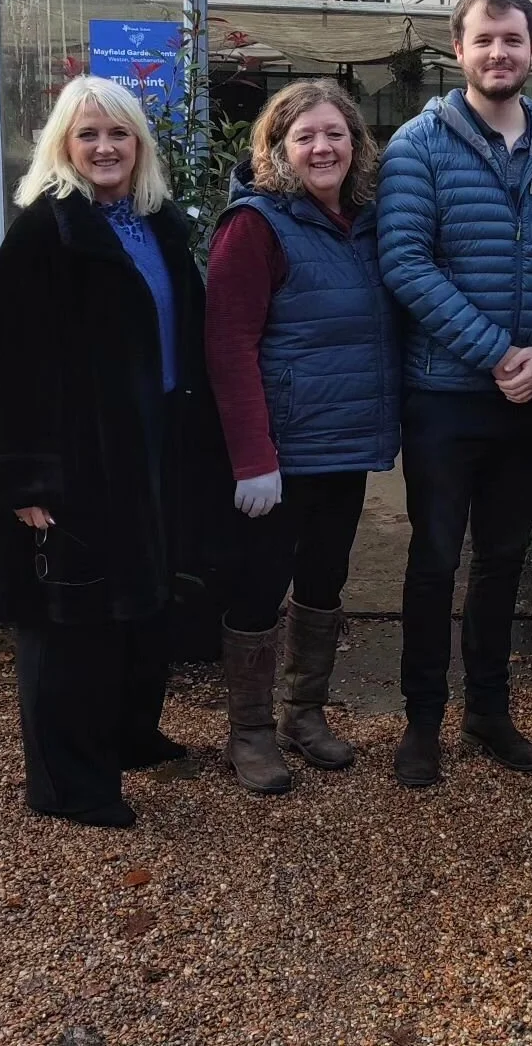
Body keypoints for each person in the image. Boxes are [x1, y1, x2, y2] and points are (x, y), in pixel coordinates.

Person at [0, 75, 223, 829]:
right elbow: (5, 362)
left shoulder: (158, 225)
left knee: (140, 609)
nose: (105, 147)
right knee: (69, 624)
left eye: (118, 134)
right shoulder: (47, 232)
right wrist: (20, 477)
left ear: (139, 144)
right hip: (79, 458)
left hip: (152, 447)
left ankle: (125, 736)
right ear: (65, 147)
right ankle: (68, 783)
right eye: (89, 135)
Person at [378, 0, 532, 788]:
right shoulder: (417, 147)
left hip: (529, 400)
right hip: (444, 396)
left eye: (513, 40)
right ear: (457, 50)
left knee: (503, 558)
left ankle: (491, 711)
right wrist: (499, 350)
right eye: (484, 39)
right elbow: (405, 260)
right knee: (434, 560)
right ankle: (423, 720)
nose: (498, 53)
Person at [206, 79, 399, 795]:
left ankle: (304, 715)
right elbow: (228, 346)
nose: (322, 148)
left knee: (325, 580)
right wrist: (253, 458)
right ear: (279, 149)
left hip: (342, 445)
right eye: (305, 137)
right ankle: (249, 731)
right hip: (281, 452)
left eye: (335, 134)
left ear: (356, 144)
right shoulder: (253, 226)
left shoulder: (365, 223)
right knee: (260, 586)